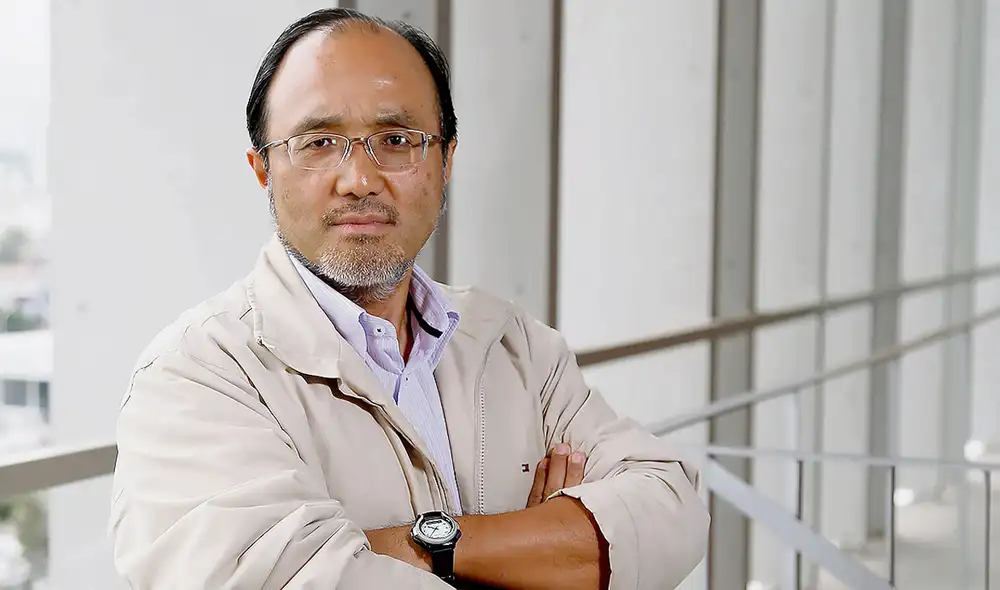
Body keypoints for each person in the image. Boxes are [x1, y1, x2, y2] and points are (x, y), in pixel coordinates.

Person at [109, 8, 709, 590]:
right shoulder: (197, 376)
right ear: (263, 170)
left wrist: (421, 544)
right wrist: (537, 549)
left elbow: (672, 511)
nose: (360, 179)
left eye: (396, 140)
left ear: (446, 160)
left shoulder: (511, 343)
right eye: (317, 143)